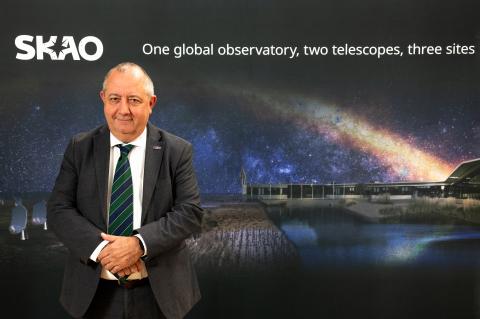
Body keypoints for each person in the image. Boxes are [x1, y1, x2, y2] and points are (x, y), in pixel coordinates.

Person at [47, 62, 203, 319]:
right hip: (93, 293)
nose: (123, 110)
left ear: (151, 103)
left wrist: (138, 245)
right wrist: (106, 252)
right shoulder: (79, 147)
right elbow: (58, 209)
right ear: (103, 99)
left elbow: (189, 212)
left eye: (134, 100)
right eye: (114, 99)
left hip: (160, 294)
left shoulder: (177, 151)